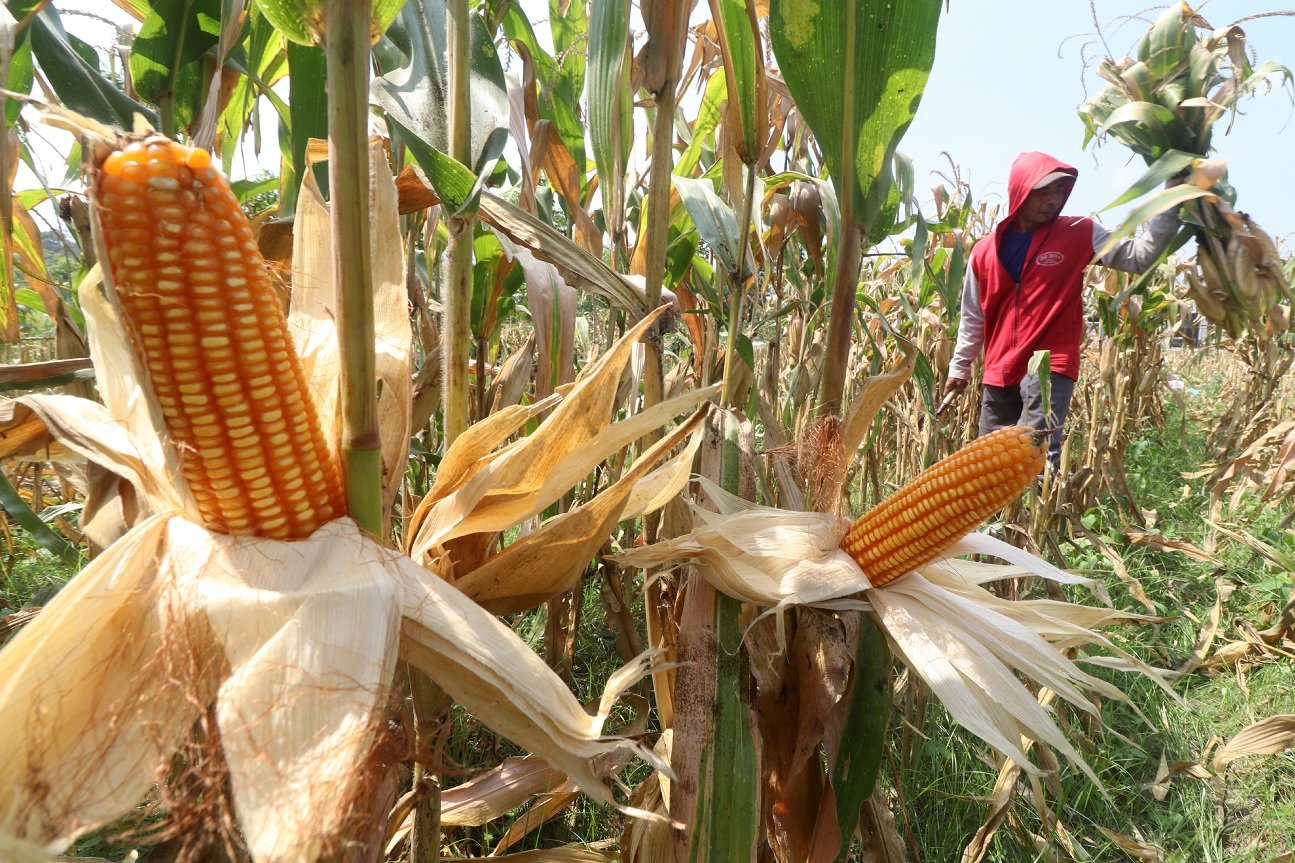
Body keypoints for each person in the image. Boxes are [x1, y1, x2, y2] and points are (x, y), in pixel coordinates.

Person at [942, 151, 1179, 463]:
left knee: (1036, 458)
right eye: (1043, 192)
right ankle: (998, 516)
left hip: (1049, 364)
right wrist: (960, 367)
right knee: (988, 464)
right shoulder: (984, 251)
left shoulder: (1079, 232)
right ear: (1020, 192)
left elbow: (1139, 257)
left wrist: (1173, 196)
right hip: (999, 369)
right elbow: (973, 315)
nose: (1054, 199)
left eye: (1060, 190)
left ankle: (1041, 513)